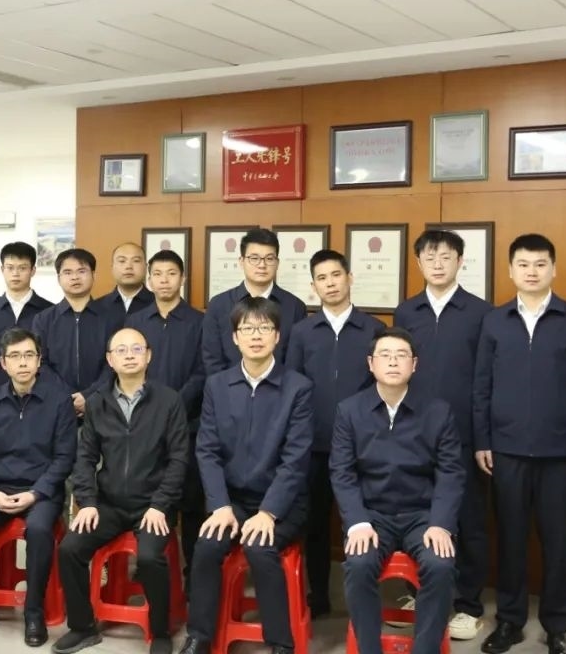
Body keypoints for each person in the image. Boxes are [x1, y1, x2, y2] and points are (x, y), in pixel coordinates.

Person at [473, 234, 566, 654]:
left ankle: (558, 626)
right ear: (511, 270)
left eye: (540, 264)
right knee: (510, 540)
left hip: (560, 453)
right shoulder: (494, 320)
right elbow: (481, 387)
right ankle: (509, 622)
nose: (532, 271)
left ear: (553, 269)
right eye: (523, 264)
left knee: (558, 543)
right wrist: (483, 440)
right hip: (505, 451)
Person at [179, 297, 313, 654]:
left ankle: (281, 642)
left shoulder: (298, 388)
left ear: (277, 336)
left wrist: (268, 512)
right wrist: (220, 505)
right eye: (247, 329)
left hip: (281, 504)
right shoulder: (217, 385)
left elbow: (295, 461)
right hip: (233, 501)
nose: (256, 336)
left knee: (259, 546)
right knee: (207, 545)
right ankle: (200, 637)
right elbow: (207, 451)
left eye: (264, 328)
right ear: (235, 337)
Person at [53, 328, 189, 654]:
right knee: (70, 548)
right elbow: (85, 459)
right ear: (110, 360)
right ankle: (82, 627)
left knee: (149, 557)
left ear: (148, 356)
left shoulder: (169, 401)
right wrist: (87, 502)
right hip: (109, 504)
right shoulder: (97, 403)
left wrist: (160, 505)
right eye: (121, 350)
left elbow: (179, 459)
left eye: (136, 349)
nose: (129, 355)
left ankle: (160, 632)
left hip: (152, 505)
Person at [332, 327, 465, 654]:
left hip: (422, 515)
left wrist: (441, 523)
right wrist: (357, 522)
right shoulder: (349, 411)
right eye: (385, 355)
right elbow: (342, 472)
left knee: (440, 564)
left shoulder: (438, 411)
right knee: (359, 564)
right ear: (371, 363)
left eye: (401, 355)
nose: (393, 362)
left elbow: (451, 472)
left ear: (414, 364)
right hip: (372, 515)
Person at [394, 229, 493, 641]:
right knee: (417, 514)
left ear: (460, 261)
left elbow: (486, 379)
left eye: (446, 256)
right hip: (414, 433)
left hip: (464, 434)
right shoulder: (406, 311)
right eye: (430, 257)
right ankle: (420, 593)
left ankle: (468, 604)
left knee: (468, 519)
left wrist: (484, 437)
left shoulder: (481, 312)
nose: (437, 264)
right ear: (418, 263)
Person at [0, 328, 76, 645]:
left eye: (29, 355)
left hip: (41, 491)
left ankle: (34, 611)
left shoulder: (59, 401)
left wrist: (35, 493)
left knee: (38, 530)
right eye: (15, 356)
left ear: (39, 360)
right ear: (3, 363)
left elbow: (64, 458)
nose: (23, 363)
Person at [286, 249, 384, 619]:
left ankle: (364, 598)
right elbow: (292, 386)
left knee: (362, 520)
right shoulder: (302, 332)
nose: (330, 284)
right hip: (313, 444)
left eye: (336, 275)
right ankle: (319, 595)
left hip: (363, 444)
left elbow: (381, 385)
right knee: (314, 523)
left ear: (349, 278)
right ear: (314, 286)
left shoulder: (373, 329)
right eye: (322, 279)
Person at [126, 250, 206, 590]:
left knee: (191, 506)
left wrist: (172, 406)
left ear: (182, 278)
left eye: (171, 273)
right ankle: (153, 573)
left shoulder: (199, 321)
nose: (163, 280)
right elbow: (128, 371)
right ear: (149, 279)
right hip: (144, 427)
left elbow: (203, 371)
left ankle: (193, 579)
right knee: (152, 501)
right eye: (157, 274)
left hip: (189, 425)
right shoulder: (136, 322)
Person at [202, 228, 307, 375]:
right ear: (241, 261)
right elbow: (211, 359)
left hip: (282, 388)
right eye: (254, 258)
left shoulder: (295, 306)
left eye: (269, 258)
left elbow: (295, 361)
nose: (262, 265)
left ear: (277, 263)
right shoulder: (219, 305)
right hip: (228, 388)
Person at [31, 248, 119, 418]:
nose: (75, 277)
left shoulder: (111, 318)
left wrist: (89, 395)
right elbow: (40, 362)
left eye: (82, 271)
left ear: (94, 275)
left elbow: (115, 362)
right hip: (55, 405)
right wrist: (68, 396)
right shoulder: (43, 319)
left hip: (103, 405)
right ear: (58, 278)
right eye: (68, 272)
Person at [0, 242, 54, 394]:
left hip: (38, 392)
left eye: (22, 268)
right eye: (10, 268)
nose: (15, 273)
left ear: (33, 271)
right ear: (2, 270)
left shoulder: (48, 311)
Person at [99, 242, 154, 328]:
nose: (128, 266)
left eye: (136, 261)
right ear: (112, 267)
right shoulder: (97, 307)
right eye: (122, 261)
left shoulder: (158, 304)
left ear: (146, 267)